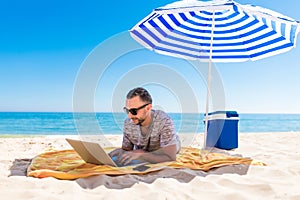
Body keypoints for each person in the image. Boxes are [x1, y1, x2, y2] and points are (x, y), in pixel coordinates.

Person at [109, 87, 181, 165]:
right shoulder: (129, 123)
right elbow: (127, 150)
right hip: (145, 150)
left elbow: (170, 158)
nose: (129, 116)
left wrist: (142, 154)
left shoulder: (164, 121)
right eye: (127, 110)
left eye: (134, 111)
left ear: (148, 108)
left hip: (167, 147)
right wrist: (121, 151)